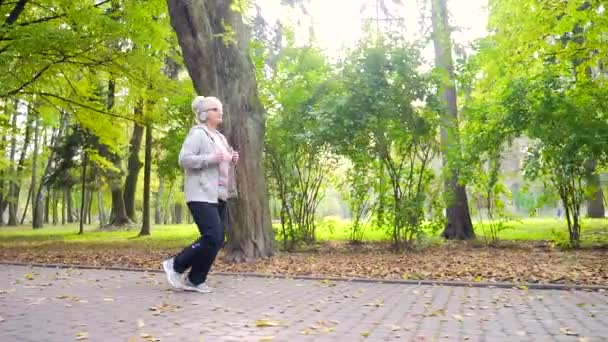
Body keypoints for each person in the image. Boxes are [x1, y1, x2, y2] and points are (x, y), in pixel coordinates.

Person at [162, 96, 239, 293]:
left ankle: (195, 279)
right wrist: (210, 159)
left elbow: (221, 162)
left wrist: (232, 159)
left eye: (220, 108)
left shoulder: (220, 137)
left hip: (218, 194)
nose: (219, 112)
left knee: (217, 239)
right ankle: (176, 264)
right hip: (200, 193)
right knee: (212, 235)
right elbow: (184, 159)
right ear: (204, 114)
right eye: (215, 109)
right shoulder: (198, 134)